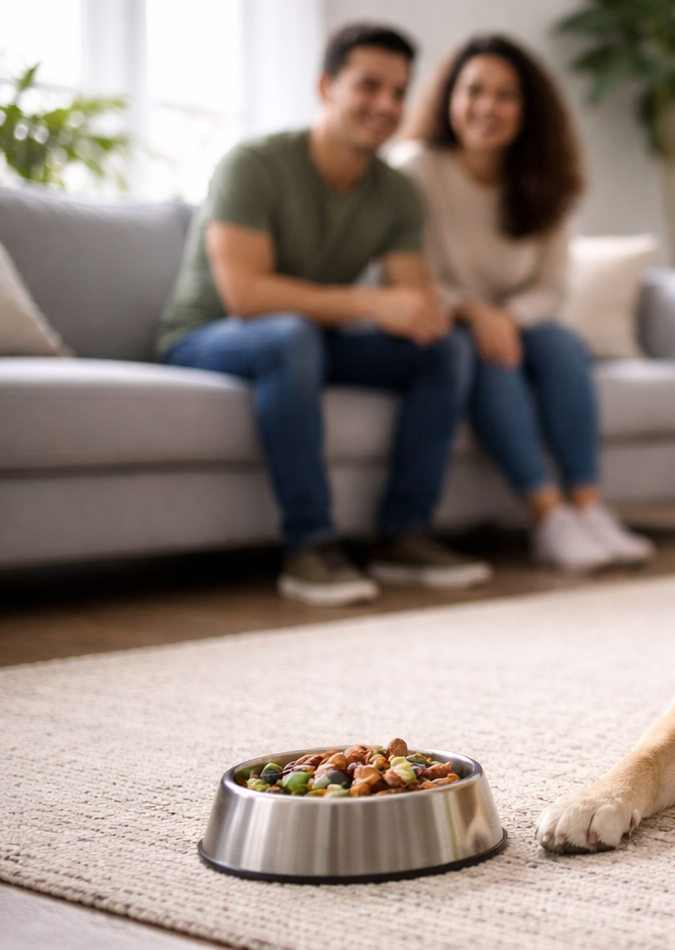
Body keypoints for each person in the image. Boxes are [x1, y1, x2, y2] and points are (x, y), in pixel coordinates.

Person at [156, 24, 492, 606]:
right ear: (325, 86)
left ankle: (403, 534)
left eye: (397, 91)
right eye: (369, 86)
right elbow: (246, 297)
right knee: (290, 336)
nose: (386, 105)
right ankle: (309, 545)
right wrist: (373, 305)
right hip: (208, 339)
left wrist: (429, 314)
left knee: (445, 348)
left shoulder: (395, 192)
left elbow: (410, 301)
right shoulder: (253, 164)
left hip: (310, 338)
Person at [391, 34, 654, 572]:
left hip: (513, 323)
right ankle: (547, 516)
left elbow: (553, 287)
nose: (486, 107)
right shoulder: (415, 170)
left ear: (528, 110)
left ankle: (588, 506)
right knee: (487, 350)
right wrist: (473, 312)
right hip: (444, 322)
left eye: (505, 95)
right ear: (450, 99)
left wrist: (504, 317)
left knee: (560, 342)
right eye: (473, 91)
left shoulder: (547, 182)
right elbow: (405, 274)